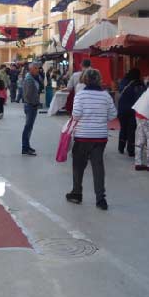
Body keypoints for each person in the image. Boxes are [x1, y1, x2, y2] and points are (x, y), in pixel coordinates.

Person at [66, 68, 117, 211]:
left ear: (85, 79)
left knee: (78, 166)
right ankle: (101, 199)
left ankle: (77, 193)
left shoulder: (80, 95)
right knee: (98, 167)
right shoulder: (106, 96)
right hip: (100, 137)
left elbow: (76, 115)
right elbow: (113, 115)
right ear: (99, 79)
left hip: (83, 136)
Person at [117, 68, 144, 157]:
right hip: (133, 110)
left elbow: (120, 90)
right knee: (131, 130)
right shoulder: (139, 84)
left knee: (123, 128)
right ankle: (131, 150)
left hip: (122, 109)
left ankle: (121, 147)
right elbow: (142, 95)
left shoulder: (123, 81)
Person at [21, 61, 42, 156]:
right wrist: (34, 103)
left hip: (31, 105)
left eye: (38, 68)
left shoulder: (33, 78)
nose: (38, 70)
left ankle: (27, 146)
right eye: (36, 68)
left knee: (29, 127)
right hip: (30, 105)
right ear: (31, 69)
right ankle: (25, 147)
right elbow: (28, 94)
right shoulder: (29, 79)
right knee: (28, 127)